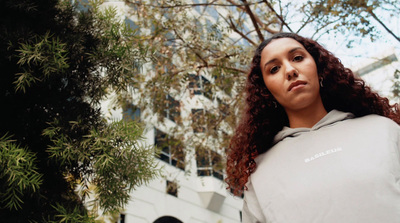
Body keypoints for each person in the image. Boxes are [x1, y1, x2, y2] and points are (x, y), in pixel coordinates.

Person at [225, 32, 400, 223]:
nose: (290, 70)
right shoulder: (259, 173)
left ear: (319, 67)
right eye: (274, 69)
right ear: (266, 90)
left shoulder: (383, 131)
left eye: (298, 58)